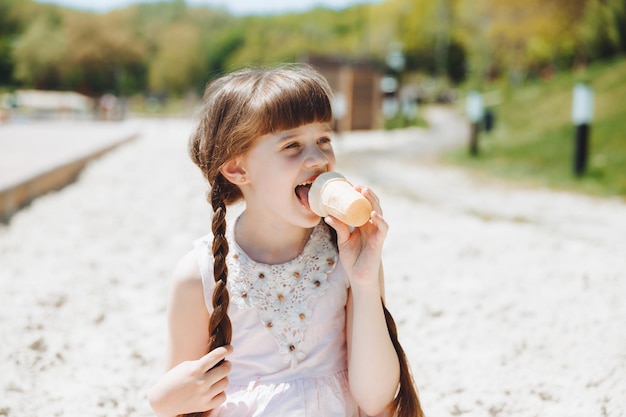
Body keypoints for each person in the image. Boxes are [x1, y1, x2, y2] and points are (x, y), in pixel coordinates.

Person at [148, 64, 424, 417]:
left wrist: (365, 281)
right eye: (292, 145)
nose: (319, 158)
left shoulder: (347, 256)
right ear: (237, 169)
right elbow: (179, 399)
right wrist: (161, 399)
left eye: (324, 139)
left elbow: (376, 401)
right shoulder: (198, 275)